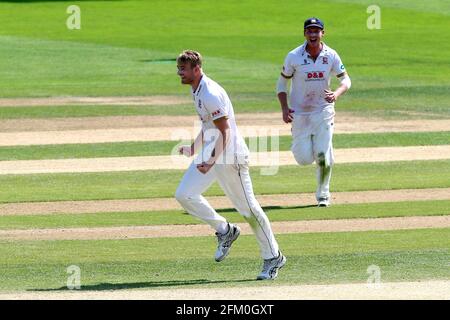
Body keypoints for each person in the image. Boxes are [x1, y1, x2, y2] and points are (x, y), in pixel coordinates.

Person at [175, 50, 286, 280]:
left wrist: (209, 162)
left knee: (249, 210)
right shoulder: (196, 89)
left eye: (183, 69)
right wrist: (194, 149)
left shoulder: (210, 94)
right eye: (179, 69)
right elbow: (208, 126)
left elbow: (225, 131)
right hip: (213, 153)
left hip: (231, 156)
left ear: (196, 69)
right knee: (185, 194)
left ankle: (273, 256)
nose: (180, 73)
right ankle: (225, 230)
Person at [276, 17, 351, 207]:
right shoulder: (293, 56)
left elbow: (346, 81)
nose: (313, 34)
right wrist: (284, 108)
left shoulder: (331, 55)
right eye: (309, 31)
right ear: (304, 34)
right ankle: (309, 143)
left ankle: (323, 196)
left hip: (323, 110)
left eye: (316, 31)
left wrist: (336, 93)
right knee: (303, 159)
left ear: (322, 34)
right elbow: (281, 84)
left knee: (323, 156)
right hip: (299, 113)